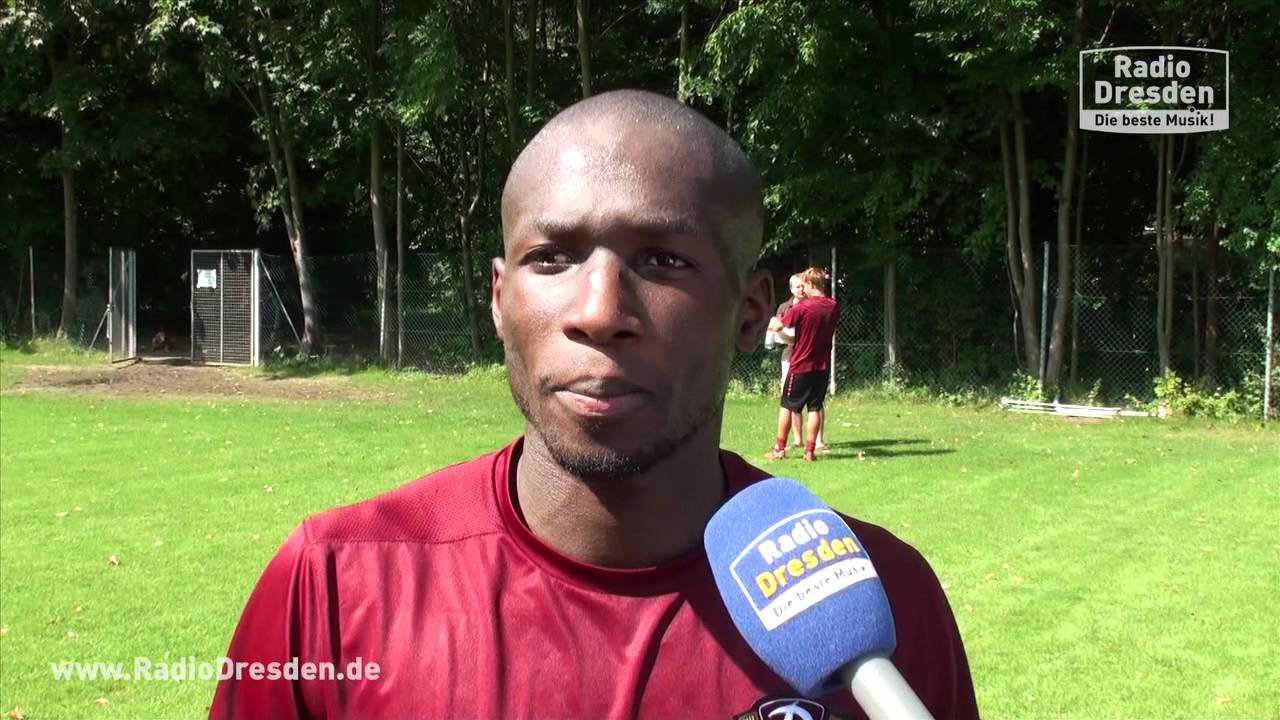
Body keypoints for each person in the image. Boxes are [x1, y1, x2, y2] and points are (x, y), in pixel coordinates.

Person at [209, 90, 977, 720]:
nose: (600, 311)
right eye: (551, 258)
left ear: (750, 314)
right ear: (500, 300)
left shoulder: (880, 608)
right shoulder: (333, 586)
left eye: (663, 260)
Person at [765, 267, 838, 462]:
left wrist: (769, 321)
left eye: (804, 284)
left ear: (811, 284)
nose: (802, 289)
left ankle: (779, 449)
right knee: (815, 407)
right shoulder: (833, 306)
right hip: (822, 366)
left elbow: (779, 326)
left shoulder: (802, 307)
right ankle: (810, 451)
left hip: (800, 365)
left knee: (786, 406)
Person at [771, 273, 805, 448]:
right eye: (798, 286)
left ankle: (817, 441)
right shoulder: (784, 307)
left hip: (807, 354)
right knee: (789, 396)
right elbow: (776, 332)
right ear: (791, 289)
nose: (801, 289)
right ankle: (797, 439)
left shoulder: (812, 306)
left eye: (803, 286)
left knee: (814, 401)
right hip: (789, 353)